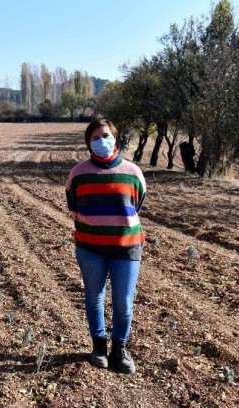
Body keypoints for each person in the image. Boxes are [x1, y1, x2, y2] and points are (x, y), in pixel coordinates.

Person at [65, 118, 146, 374]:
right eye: (96, 138)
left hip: (127, 248)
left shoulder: (132, 172)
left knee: (123, 301)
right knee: (94, 297)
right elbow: (73, 205)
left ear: (116, 137)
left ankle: (119, 349)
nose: (102, 141)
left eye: (106, 135)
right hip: (90, 248)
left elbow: (137, 203)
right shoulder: (78, 173)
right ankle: (98, 346)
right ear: (89, 143)